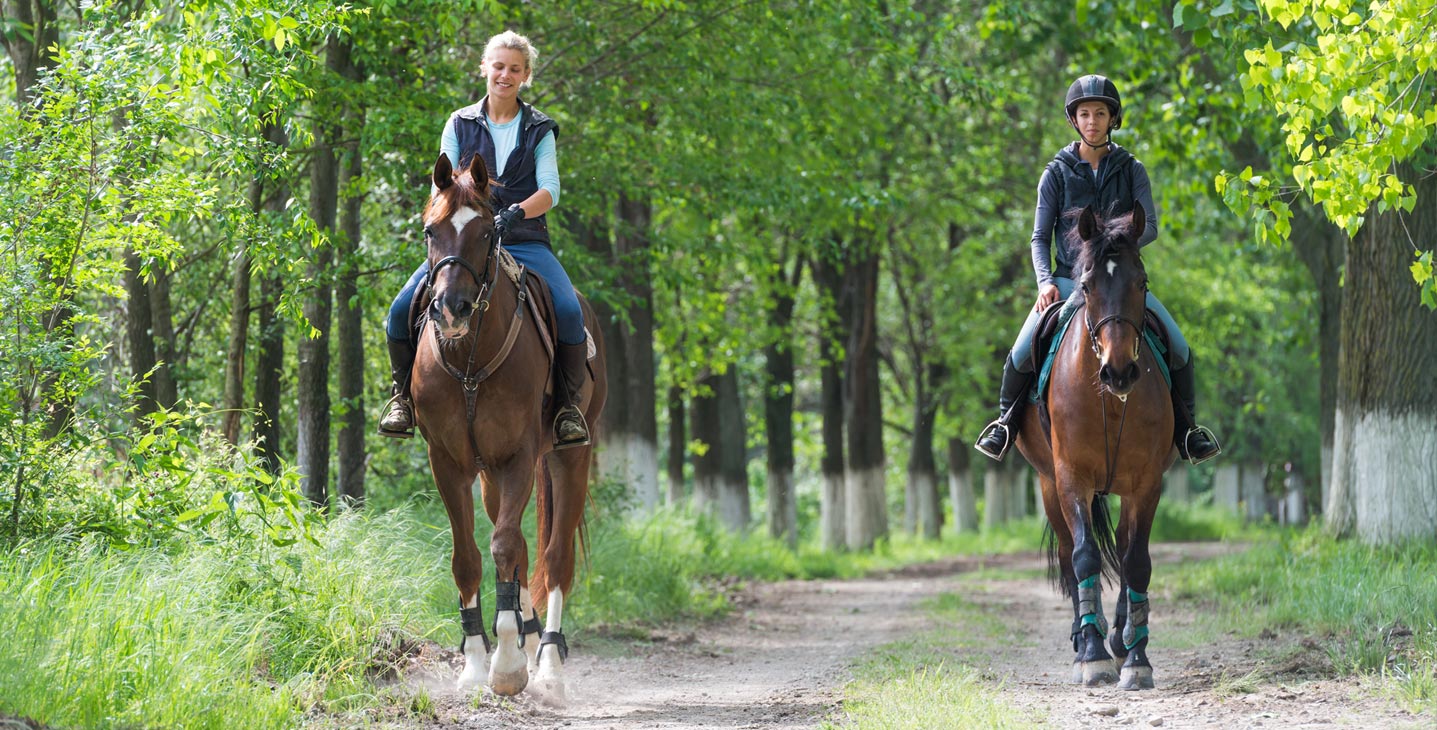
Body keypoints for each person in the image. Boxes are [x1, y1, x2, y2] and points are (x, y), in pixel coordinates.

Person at [973, 74, 1220, 464]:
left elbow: (1150, 226)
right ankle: (1004, 424)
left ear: (1112, 119)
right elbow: (1039, 237)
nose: (1092, 121)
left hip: (1121, 283)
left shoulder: (1131, 168)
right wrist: (1043, 283)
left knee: (1181, 348)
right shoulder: (1055, 173)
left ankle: (1189, 430)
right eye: (1084, 114)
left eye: (1100, 113)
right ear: (1074, 120)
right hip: (1070, 280)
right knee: (1020, 353)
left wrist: (1115, 244)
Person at [379, 30, 590, 449]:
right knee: (399, 308)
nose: (504, 75)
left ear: (526, 75)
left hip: (524, 238)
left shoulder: (540, 129)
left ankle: (567, 408)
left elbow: (551, 189)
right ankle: (401, 398)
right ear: (484, 69)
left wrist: (515, 213)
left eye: (514, 69)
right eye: (498, 66)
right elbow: (443, 185)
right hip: (464, 243)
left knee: (568, 309)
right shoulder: (459, 123)